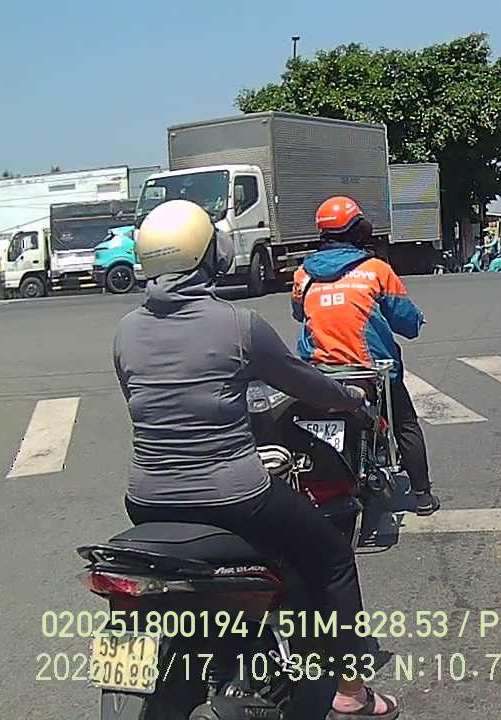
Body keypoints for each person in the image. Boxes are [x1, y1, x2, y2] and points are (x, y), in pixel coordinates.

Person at [114, 200, 400, 718]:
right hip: (234, 496)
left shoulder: (126, 331)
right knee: (333, 557)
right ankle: (351, 692)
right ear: (211, 256)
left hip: (146, 500)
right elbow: (304, 382)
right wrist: (350, 398)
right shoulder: (238, 325)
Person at [292, 196, 439, 515]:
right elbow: (406, 321)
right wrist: (416, 321)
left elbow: (298, 312)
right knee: (405, 424)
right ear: (358, 231)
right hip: (370, 372)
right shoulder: (376, 270)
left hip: (319, 372)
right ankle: (423, 496)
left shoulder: (303, 274)